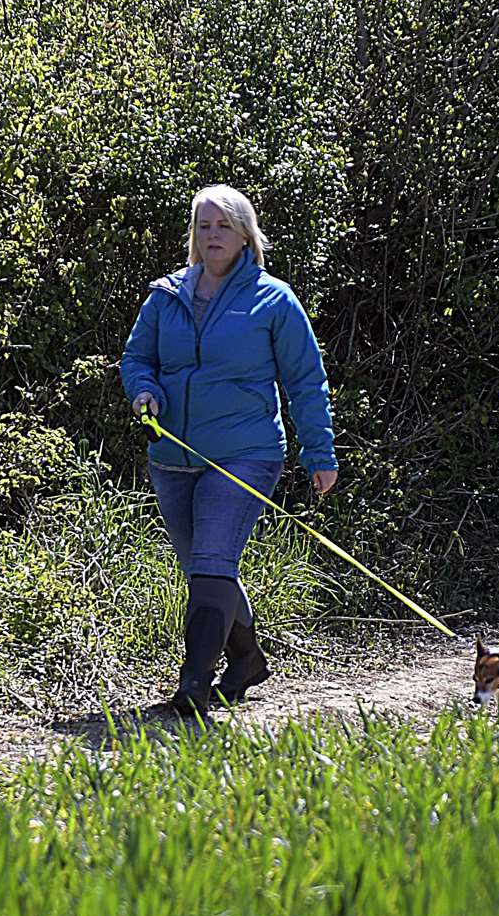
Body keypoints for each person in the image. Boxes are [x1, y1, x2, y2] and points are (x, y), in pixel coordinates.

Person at [120, 184, 338, 717]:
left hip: (245, 452)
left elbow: (305, 380)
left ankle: (193, 687)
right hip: (172, 455)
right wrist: (145, 391)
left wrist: (320, 453)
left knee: (214, 562)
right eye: (203, 225)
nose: (212, 235)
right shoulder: (165, 294)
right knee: (202, 567)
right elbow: (136, 359)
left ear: (245, 234)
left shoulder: (273, 299)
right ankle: (246, 661)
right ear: (193, 235)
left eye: (223, 226)